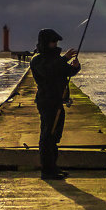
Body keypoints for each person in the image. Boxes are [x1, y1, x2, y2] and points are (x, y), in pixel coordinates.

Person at [29, 28, 80, 180]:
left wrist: (75, 67)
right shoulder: (38, 60)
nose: (55, 44)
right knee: (47, 136)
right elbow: (49, 70)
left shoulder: (56, 59)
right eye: (53, 41)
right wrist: (64, 59)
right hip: (46, 102)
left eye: (56, 42)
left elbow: (66, 71)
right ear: (45, 42)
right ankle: (47, 171)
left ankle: (53, 167)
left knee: (55, 137)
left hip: (58, 102)